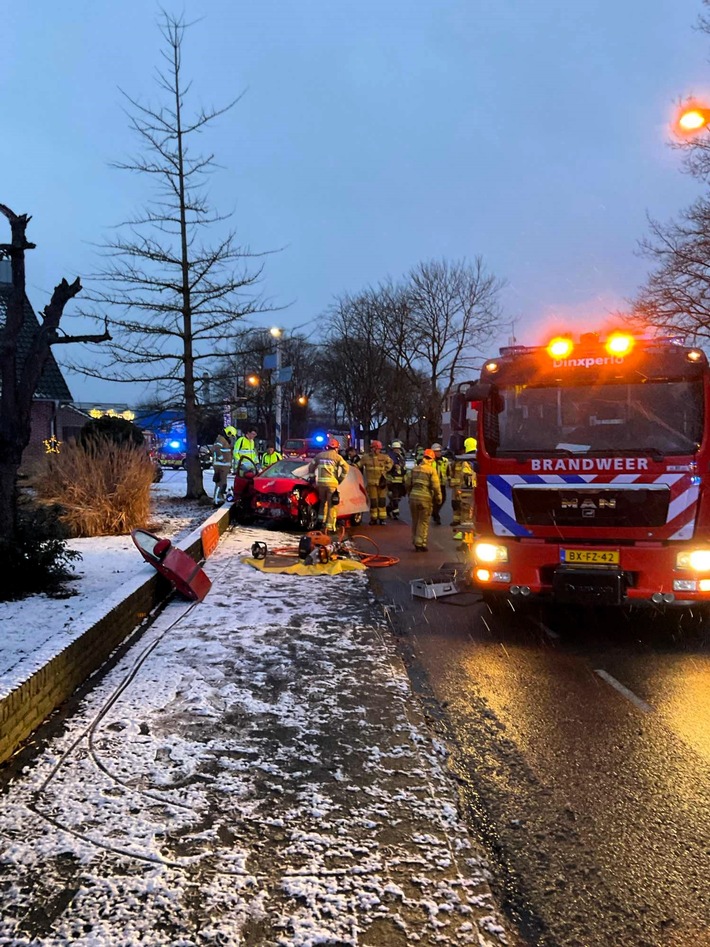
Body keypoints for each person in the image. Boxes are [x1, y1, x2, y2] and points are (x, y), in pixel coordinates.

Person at [308, 437, 349, 533]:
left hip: (321, 484)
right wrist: (340, 479)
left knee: (323, 503)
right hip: (332, 484)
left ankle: (320, 522)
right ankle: (330, 527)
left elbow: (311, 466)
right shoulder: (337, 457)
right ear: (336, 448)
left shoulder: (319, 456)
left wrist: (312, 478)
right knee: (332, 505)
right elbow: (346, 468)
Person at [405, 448, 442, 552]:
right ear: (431, 459)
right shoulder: (431, 470)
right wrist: (439, 498)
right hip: (425, 498)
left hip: (413, 497)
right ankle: (420, 543)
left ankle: (415, 540)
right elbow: (436, 486)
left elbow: (407, 483)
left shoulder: (415, 469)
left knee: (415, 520)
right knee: (423, 521)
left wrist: (409, 493)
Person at [360, 439, 393, 526]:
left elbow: (391, 463)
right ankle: (374, 518)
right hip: (371, 485)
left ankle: (382, 519)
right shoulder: (366, 458)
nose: (378, 450)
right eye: (377, 448)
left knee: (382, 501)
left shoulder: (384, 457)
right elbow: (358, 465)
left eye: (379, 449)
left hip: (381, 483)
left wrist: (385, 470)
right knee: (373, 502)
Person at [449, 436, 477, 527]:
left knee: (466, 508)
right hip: (466, 488)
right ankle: (459, 522)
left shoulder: (465, 462)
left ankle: (465, 527)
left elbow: (466, 475)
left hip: (466, 488)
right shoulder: (475, 460)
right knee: (460, 506)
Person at [212, 426, 236, 505]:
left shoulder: (223, 440)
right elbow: (216, 448)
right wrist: (222, 458)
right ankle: (216, 500)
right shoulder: (221, 439)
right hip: (220, 465)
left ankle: (220, 498)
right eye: (231, 436)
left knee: (223, 483)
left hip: (224, 466)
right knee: (220, 483)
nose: (232, 438)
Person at [386, 440, 407, 520]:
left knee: (399, 496)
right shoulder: (390, 456)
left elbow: (403, 467)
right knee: (395, 497)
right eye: (397, 449)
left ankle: (388, 509)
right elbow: (388, 467)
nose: (398, 450)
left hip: (400, 480)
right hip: (393, 480)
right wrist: (394, 467)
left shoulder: (400, 456)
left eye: (399, 448)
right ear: (393, 449)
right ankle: (395, 513)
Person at [430, 443, 449, 525]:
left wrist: (449, 478)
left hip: (442, 484)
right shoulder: (430, 461)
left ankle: (435, 512)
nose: (438, 453)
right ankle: (436, 516)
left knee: (442, 499)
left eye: (439, 451)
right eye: (436, 451)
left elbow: (448, 470)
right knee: (433, 500)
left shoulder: (445, 460)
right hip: (432, 484)